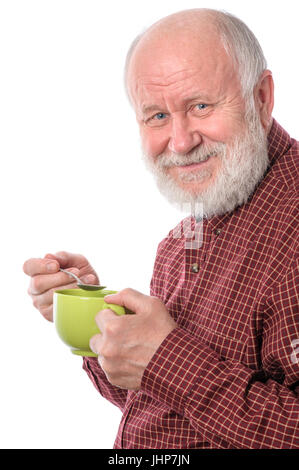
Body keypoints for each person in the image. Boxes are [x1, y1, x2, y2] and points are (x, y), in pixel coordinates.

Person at [23, 8, 299, 449]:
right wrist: (99, 327)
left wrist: (167, 358)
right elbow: (166, 411)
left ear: (262, 97)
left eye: (201, 106)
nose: (181, 141)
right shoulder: (182, 238)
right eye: (157, 117)